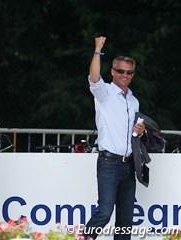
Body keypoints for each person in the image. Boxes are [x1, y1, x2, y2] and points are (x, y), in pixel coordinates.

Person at [84, 36, 145, 240]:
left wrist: (140, 131)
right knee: (104, 213)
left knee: (125, 222)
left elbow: (132, 134)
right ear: (112, 72)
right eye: (120, 71)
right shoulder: (105, 93)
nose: (125, 75)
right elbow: (94, 77)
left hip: (129, 164)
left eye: (129, 72)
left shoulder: (134, 101)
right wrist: (98, 50)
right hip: (109, 162)